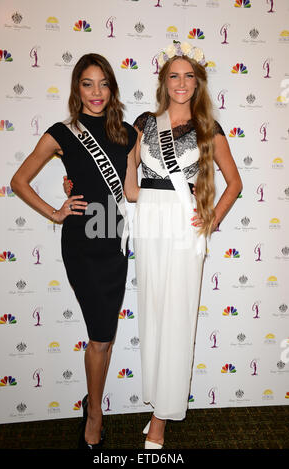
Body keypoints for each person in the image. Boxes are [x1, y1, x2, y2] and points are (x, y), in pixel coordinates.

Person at [10, 53, 138, 449]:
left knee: (106, 336)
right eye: (87, 83)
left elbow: (132, 191)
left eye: (103, 83)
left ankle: (92, 402)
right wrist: (55, 211)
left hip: (116, 241)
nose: (96, 92)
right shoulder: (63, 132)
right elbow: (19, 180)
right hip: (82, 244)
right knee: (100, 334)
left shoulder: (129, 133)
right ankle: (95, 414)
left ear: (112, 88)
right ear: (76, 88)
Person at [132, 41, 242, 449]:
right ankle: (158, 399)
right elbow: (129, 182)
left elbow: (235, 184)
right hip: (149, 226)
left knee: (177, 319)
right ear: (164, 81)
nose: (181, 82)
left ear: (197, 84)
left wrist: (210, 219)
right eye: (173, 75)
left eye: (188, 76)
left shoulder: (208, 128)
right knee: (154, 314)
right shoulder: (144, 123)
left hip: (182, 226)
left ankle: (161, 419)